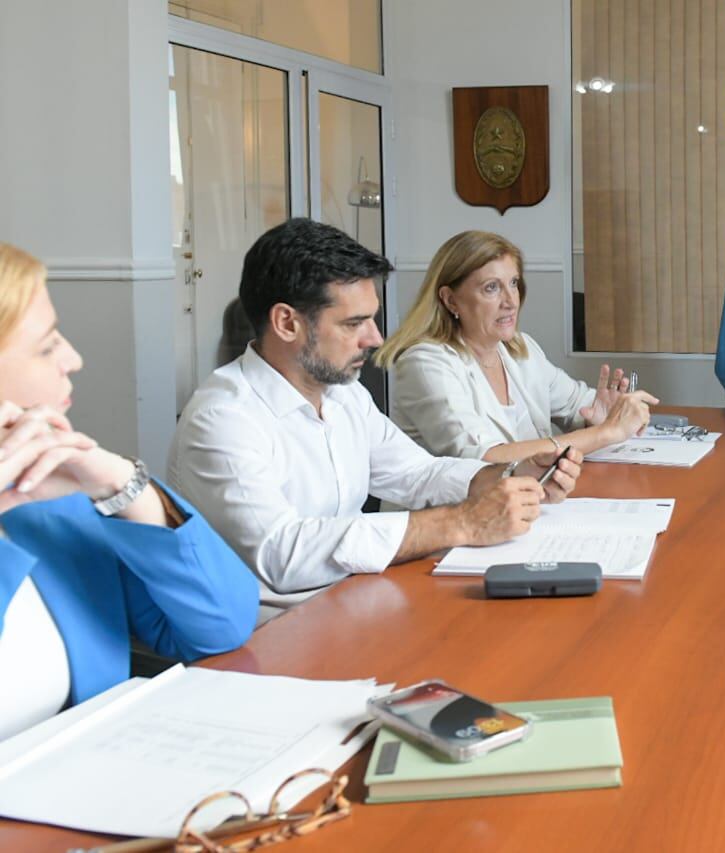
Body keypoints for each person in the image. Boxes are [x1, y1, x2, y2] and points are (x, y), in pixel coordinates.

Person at [168, 219, 582, 621]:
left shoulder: (344, 393)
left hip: (355, 603)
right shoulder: (223, 418)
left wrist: (509, 475)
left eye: (372, 318)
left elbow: (418, 473)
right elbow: (283, 554)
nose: (376, 339)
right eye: (354, 323)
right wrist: (460, 522)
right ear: (286, 323)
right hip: (269, 638)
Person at [0, 243, 256, 740]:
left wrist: (124, 487)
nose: (73, 359)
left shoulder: (50, 502)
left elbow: (221, 625)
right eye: (47, 345)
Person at [375, 230, 658, 461]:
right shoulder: (424, 363)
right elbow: (485, 457)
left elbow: (575, 403)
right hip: (448, 521)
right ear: (450, 300)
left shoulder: (518, 348)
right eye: (491, 288)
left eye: (513, 283)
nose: (511, 301)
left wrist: (601, 415)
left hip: (528, 507)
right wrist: (606, 433)